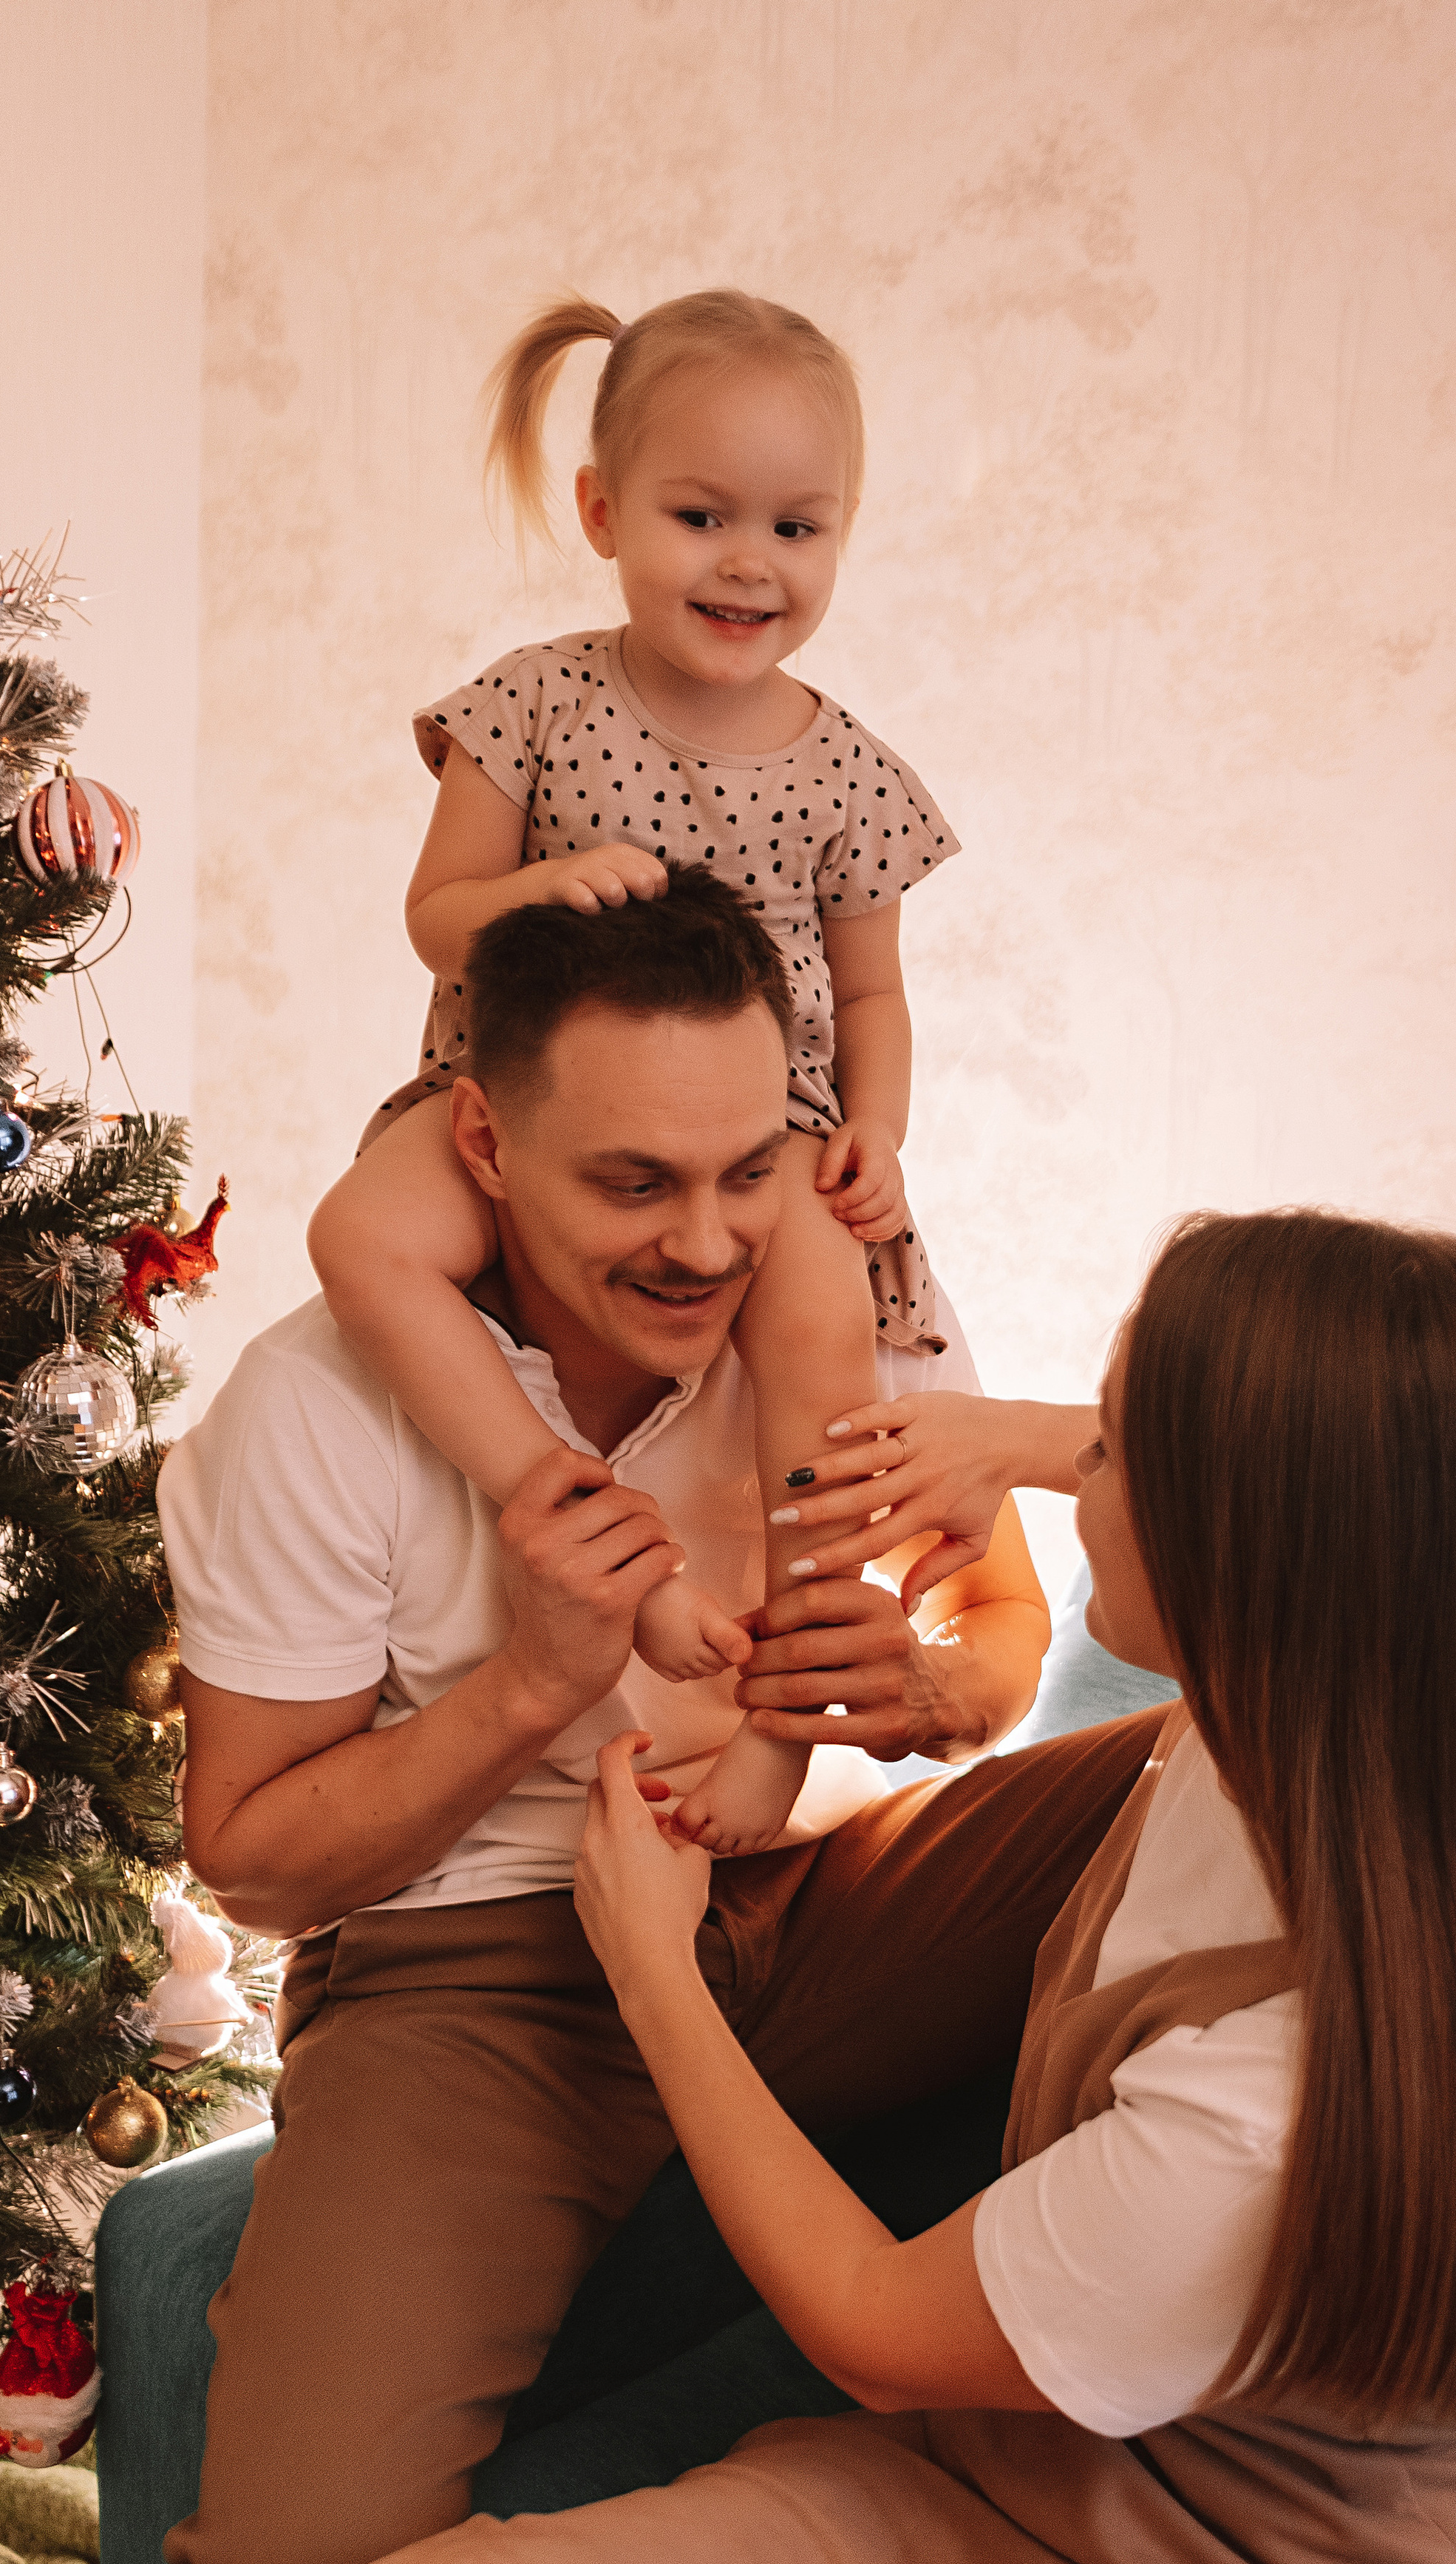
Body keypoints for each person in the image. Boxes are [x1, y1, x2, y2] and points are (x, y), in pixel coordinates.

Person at [265, 1210, 1456, 2564]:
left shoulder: (1269, 2109)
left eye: (1108, 1446)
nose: (1070, 1474)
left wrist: (651, 1963)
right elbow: (1347, 1479)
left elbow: (868, 2325)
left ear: (1239, 1540)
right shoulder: (1331, 1715)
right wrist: (994, 1441)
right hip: (1014, 2501)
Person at [155, 865, 1095, 2564]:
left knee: (1216, 1768)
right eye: (633, 1185)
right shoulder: (316, 1410)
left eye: (747, 1171)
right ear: (482, 1146)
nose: (706, 1240)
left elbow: (1000, 1624)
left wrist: (936, 1694)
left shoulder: (827, 1286)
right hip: (485, 1971)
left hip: (819, 1894)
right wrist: (527, 1687)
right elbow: (250, 1860)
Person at [307, 286, 960, 1857]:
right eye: (699, 516)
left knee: (821, 1341)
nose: (749, 563)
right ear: (603, 512)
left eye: (796, 528)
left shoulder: (849, 772)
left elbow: (872, 989)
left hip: (761, 1131)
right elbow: (434, 916)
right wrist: (535, 889)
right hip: (513, 1095)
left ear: (843, 532)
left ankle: (785, 1718)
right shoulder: (532, 703)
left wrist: (873, 1129)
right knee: (359, 1238)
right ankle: (576, 1512)